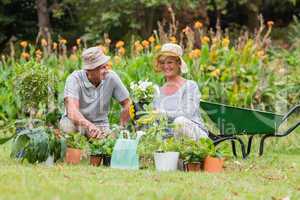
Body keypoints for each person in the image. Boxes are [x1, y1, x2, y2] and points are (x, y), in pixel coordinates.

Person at [59, 46, 131, 139]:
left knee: (109, 142)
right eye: (102, 68)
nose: (106, 71)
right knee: (68, 128)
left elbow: (127, 103)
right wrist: (89, 126)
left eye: (106, 66)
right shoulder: (74, 79)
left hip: (100, 125)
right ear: (89, 70)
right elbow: (72, 111)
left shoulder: (111, 77)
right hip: (76, 124)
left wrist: (121, 127)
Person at [153, 43, 208, 140]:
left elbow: (187, 113)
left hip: (195, 136)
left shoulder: (190, 86)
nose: (166, 66)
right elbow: (156, 121)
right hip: (170, 141)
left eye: (170, 62)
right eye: (162, 63)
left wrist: (162, 114)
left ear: (179, 63)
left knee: (179, 122)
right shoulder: (158, 91)